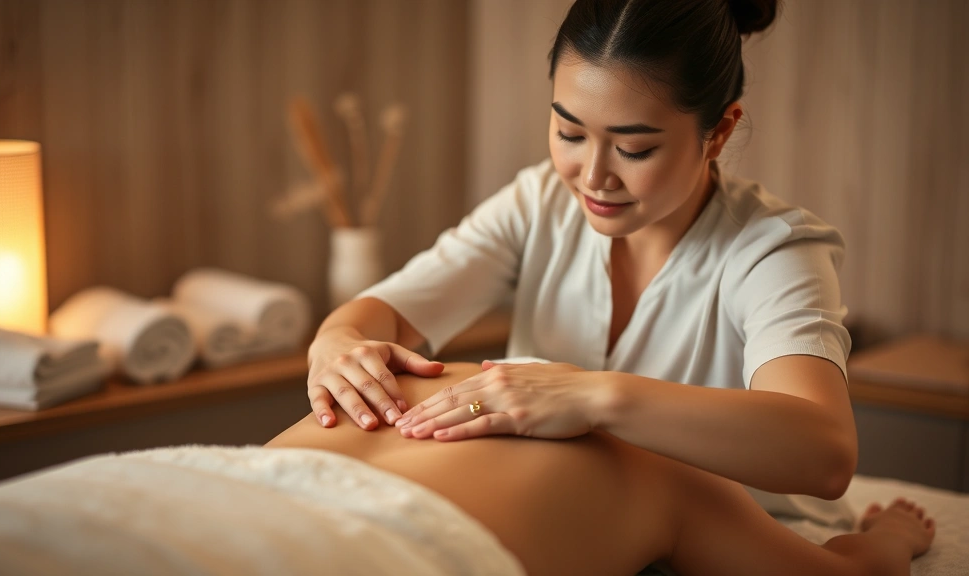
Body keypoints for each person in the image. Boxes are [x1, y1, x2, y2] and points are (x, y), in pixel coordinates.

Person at [306, 0, 857, 501]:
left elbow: (825, 454)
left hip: (732, 538)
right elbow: (385, 312)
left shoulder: (772, 250)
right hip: (558, 507)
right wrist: (336, 342)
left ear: (718, 134)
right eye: (570, 134)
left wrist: (592, 398)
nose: (593, 178)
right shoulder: (539, 202)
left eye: (633, 148)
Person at [271, 363, 934, 576]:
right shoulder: (661, 466)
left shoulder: (427, 374)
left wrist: (335, 343)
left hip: (201, 492)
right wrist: (893, 539)